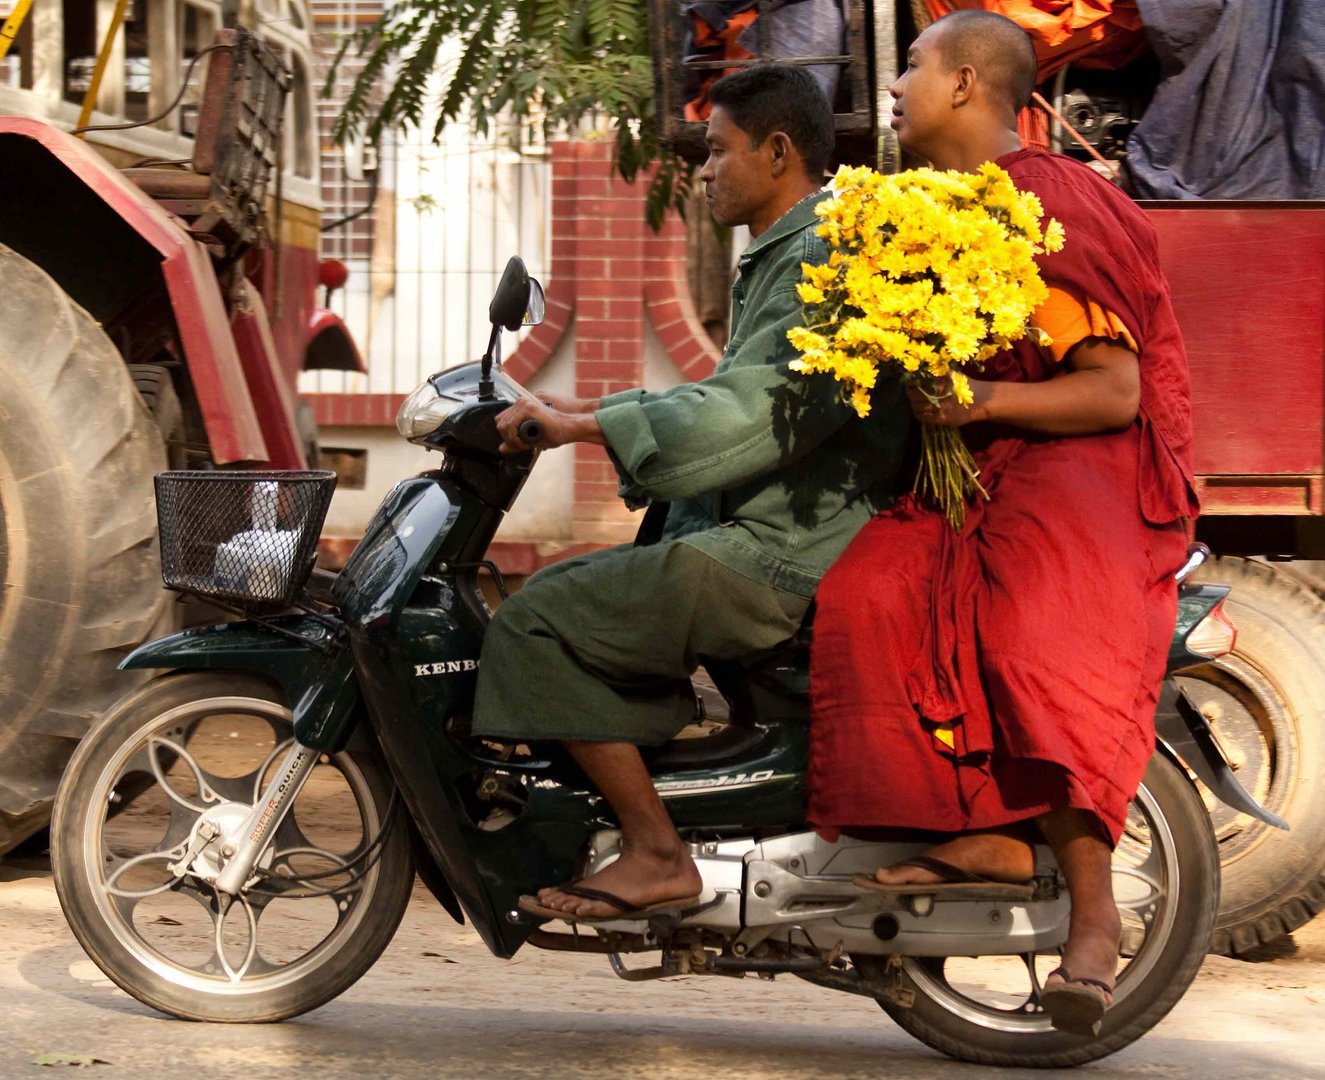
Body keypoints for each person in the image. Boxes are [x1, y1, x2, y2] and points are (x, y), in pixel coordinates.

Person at [807, 11, 1197, 1037]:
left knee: (1030, 629)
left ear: (967, 82)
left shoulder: (1054, 208)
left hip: (1082, 463)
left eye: (909, 67)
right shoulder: (925, 210)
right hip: (979, 461)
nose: (891, 86)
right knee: (867, 589)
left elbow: (1110, 392)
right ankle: (972, 829)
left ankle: (1094, 915)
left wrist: (972, 404)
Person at [474, 63, 911, 923]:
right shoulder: (789, 247)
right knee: (574, 590)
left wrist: (579, 423)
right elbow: (735, 399)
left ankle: (654, 850)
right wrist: (583, 411)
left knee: (537, 617)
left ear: (778, 151)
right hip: (768, 528)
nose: (703, 171)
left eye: (716, 151)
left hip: (779, 550)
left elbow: (749, 413)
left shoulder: (820, 254)